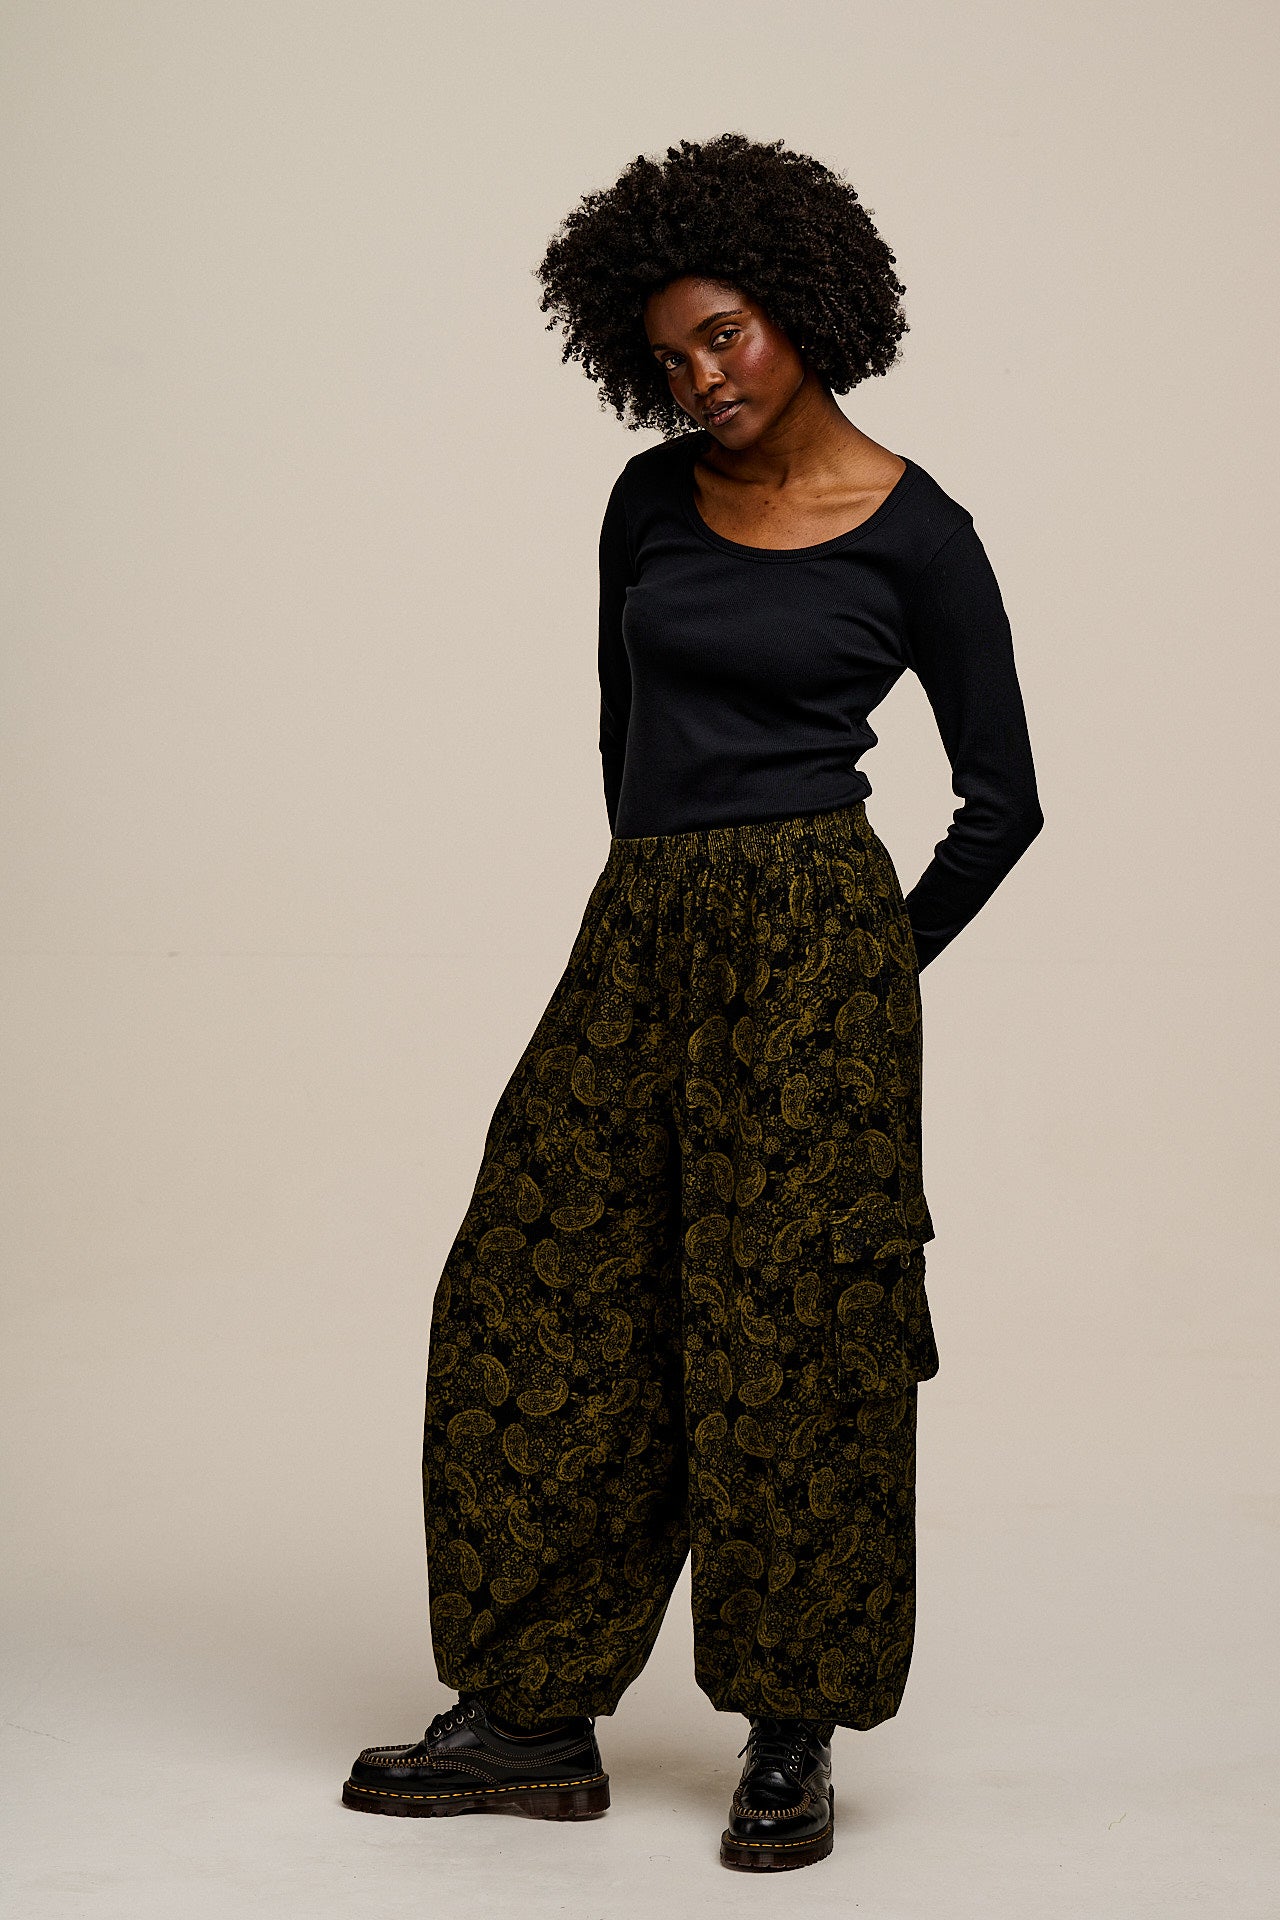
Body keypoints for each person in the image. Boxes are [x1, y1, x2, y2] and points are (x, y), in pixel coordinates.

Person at [341, 132, 1044, 1873]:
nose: (701, 375)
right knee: (539, 1289)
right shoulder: (647, 504)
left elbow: (1005, 801)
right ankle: (532, 1711)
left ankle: (792, 1733)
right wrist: (651, 911)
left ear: (802, 308)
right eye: (669, 356)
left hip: (817, 943)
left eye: (723, 333)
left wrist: (868, 963)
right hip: (643, 925)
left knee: (797, 1335)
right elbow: (622, 731)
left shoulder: (923, 534)